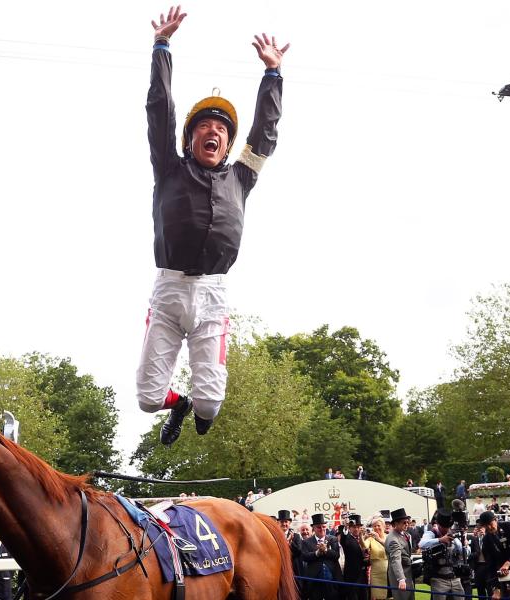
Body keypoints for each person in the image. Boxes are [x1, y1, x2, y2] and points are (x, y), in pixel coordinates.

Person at [138, 4, 287, 445]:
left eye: (221, 129)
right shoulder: (168, 166)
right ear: (190, 139)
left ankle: (196, 406)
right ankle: (175, 404)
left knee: (211, 405)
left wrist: (273, 76)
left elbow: (265, 134)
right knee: (147, 398)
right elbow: (160, 111)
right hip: (168, 291)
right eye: (204, 126)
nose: (213, 132)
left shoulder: (241, 176)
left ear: (227, 143)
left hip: (213, 294)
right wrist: (161, 47)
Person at [419, 509, 469, 600]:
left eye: (448, 527)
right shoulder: (431, 533)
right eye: (444, 527)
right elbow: (421, 544)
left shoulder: (453, 534)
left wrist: (464, 545)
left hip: (455, 577)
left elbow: (465, 552)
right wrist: (440, 540)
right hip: (438, 578)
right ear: (438, 524)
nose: (446, 529)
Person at [301, 513, 342, 600]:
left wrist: (326, 550)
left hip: (332, 578)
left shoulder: (332, 539)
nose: (322, 529)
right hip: (314, 580)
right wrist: (317, 553)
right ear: (314, 528)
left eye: (323, 526)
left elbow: (336, 555)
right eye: (319, 527)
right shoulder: (306, 542)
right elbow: (305, 556)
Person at [386, 509, 414, 600]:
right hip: (400, 578)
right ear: (395, 524)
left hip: (409, 575)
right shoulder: (393, 539)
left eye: (407, 522)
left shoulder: (406, 535)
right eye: (404, 522)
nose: (407, 524)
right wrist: (401, 579)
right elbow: (395, 560)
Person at [341, 514, 367, 600]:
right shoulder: (347, 539)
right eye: (354, 527)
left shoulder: (363, 538)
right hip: (352, 576)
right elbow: (343, 540)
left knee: (364, 597)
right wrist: (345, 527)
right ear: (349, 528)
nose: (356, 529)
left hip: (363, 575)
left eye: (358, 527)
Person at [365, 517, 388, 600]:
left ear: (383, 526)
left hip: (389, 571)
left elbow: (390, 548)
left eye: (378, 525)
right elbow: (364, 546)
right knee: (376, 596)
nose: (376, 528)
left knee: (390, 596)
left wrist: (378, 539)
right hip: (376, 573)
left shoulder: (388, 537)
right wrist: (362, 537)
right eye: (374, 526)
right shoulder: (370, 538)